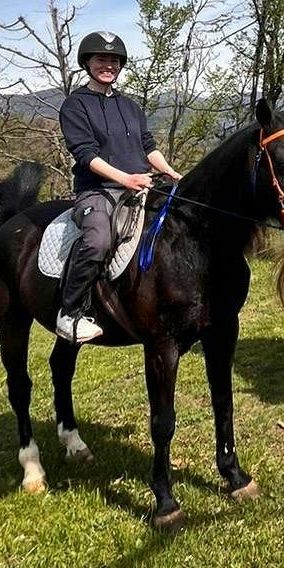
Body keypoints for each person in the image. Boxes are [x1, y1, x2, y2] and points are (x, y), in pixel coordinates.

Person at [56, 31, 181, 343]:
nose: (108, 65)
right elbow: (86, 154)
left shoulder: (130, 106)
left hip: (141, 185)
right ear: (87, 63)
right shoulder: (75, 105)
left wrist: (170, 172)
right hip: (99, 190)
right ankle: (70, 312)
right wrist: (126, 179)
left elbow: (148, 146)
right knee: (98, 240)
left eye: (113, 60)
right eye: (101, 59)